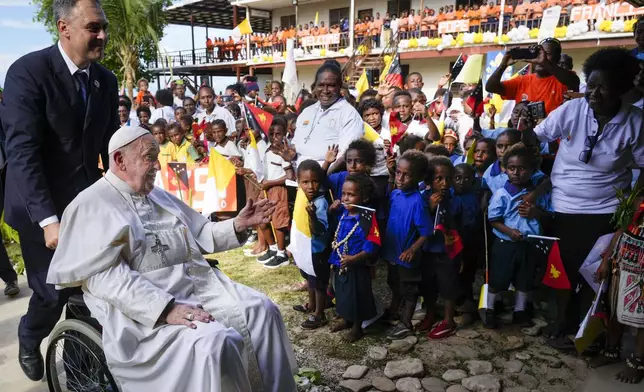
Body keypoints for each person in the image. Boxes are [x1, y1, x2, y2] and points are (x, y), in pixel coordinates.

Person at [46, 126, 297, 391]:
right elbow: (106, 278)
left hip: (198, 289)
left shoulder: (159, 196)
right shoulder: (90, 205)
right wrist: (165, 309)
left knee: (262, 311)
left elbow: (200, 232)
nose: (157, 165)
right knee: (214, 342)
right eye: (149, 157)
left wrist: (237, 224)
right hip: (142, 311)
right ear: (120, 160)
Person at [0, 0, 119, 381]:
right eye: (93, 28)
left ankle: (81, 374)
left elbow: (110, 145)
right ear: (64, 28)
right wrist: (48, 220)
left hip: (85, 203)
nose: (102, 36)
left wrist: (133, 181)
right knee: (54, 292)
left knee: (90, 290)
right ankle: (30, 333)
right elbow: (22, 152)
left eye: (103, 27)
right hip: (40, 207)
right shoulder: (28, 73)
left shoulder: (105, 80)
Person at [522, 47, 644, 349]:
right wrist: (535, 180)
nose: (594, 93)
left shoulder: (636, 122)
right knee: (562, 270)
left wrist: (633, 209)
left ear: (621, 89)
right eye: (591, 84)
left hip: (607, 210)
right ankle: (561, 320)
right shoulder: (572, 111)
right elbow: (536, 137)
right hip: (564, 208)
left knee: (596, 275)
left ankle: (587, 330)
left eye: (604, 87)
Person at [486, 144, 552, 328]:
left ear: (532, 170)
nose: (516, 172)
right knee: (498, 277)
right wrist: (510, 232)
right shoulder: (502, 194)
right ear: (506, 169)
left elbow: (549, 216)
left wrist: (535, 212)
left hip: (529, 244)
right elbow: (494, 219)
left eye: (522, 168)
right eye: (512, 168)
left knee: (525, 278)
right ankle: (490, 309)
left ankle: (520, 311)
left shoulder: (537, 196)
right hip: (505, 243)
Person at [382, 150, 432, 338]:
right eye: (398, 173)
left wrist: (413, 249)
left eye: (407, 174)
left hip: (406, 254)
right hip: (392, 250)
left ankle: (406, 323)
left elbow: (426, 232)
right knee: (394, 282)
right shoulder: (395, 194)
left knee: (409, 289)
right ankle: (394, 312)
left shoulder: (418, 202)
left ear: (418, 177)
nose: (401, 178)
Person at [593, 202, 644, 384]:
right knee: (615, 308)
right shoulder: (637, 201)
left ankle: (637, 362)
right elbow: (621, 231)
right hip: (622, 263)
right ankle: (611, 350)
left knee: (642, 319)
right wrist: (606, 260)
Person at [328, 173, 380, 342]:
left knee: (357, 295)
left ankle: (357, 327)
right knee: (342, 293)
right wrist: (332, 210)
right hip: (340, 262)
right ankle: (346, 318)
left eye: (351, 195)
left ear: (363, 198)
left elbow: (372, 243)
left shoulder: (366, 219)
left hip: (356, 265)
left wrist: (355, 258)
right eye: (343, 194)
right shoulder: (343, 213)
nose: (345, 198)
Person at [288, 63, 363, 171]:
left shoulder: (349, 114)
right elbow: (296, 148)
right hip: (301, 181)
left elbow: (344, 157)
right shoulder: (307, 112)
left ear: (339, 86)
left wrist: (321, 177)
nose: (325, 90)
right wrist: (291, 155)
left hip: (327, 181)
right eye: (321, 85)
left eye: (331, 85)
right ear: (315, 86)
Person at [485, 38, 580, 115]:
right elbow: (491, 87)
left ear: (557, 59)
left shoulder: (564, 79)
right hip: (525, 136)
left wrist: (545, 63)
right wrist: (503, 65)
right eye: (538, 53)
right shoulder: (522, 81)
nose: (541, 57)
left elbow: (573, 81)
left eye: (547, 54)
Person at [293, 160, 331, 329]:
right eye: (305, 182)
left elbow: (318, 230)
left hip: (318, 251)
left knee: (319, 283)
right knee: (309, 278)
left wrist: (313, 217)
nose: (310, 186)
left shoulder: (321, 203)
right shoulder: (301, 198)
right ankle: (311, 305)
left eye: (315, 181)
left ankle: (319, 314)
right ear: (298, 182)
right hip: (305, 249)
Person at [257, 119, 294, 269]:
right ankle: (272, 248)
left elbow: (290, 176)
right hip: (265, 188)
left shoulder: (283, 153)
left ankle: (281, 253)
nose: (274, 137)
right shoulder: (267, 149)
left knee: (278, 222)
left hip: (277, 190)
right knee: (262, 220)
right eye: (271, 134)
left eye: (278, 134)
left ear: (284, 134)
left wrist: (270, 183)